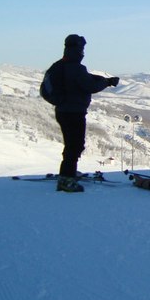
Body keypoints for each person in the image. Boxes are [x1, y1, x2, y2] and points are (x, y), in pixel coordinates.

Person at [53, 34, 119, 192]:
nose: (83, 51)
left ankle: (68, 172)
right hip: (74, 112)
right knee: (75, 145)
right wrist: (107, 82)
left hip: (63, 110)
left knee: (71, 144)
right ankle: (66, 180)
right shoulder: (75, 68)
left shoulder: (59, 65)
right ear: (77, 49)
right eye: (81, 48)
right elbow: (90, 86)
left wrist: (104, 80)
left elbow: (84, 78)